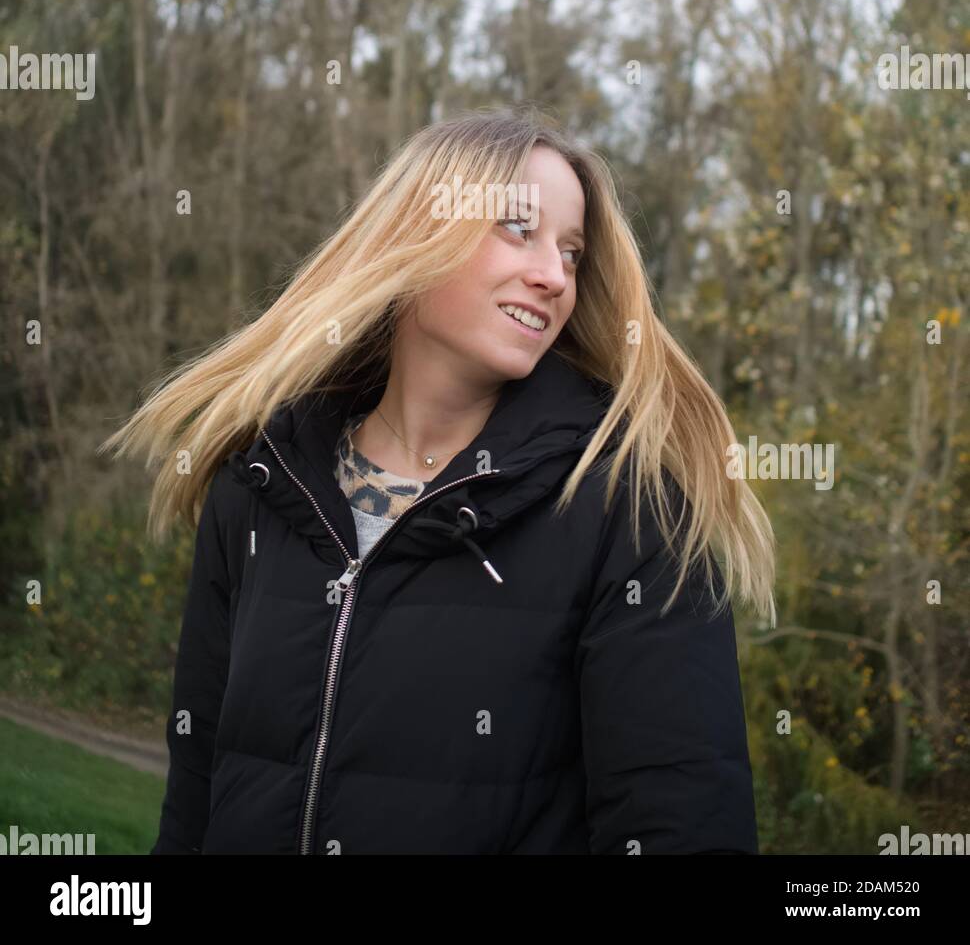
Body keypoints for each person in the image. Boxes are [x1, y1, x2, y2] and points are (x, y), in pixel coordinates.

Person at [101, 107, 776, 855]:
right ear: (415, 236)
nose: (554, 275)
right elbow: (195, 792)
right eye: (518, 229)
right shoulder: (259, 485)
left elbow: (682, 823)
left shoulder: (629, 512)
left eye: (573, 252)